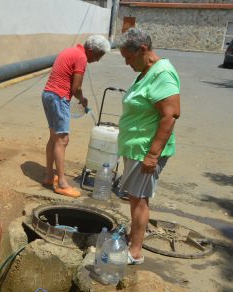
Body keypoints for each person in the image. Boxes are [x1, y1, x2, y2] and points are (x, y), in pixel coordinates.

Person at [116, 28, 181, 265]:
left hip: (146, 150)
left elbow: (170, 115)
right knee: (135, 197)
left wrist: (153, 155)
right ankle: (134, 238)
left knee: (139, 198)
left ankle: (135, 251)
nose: (126, 63)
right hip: (136, 148)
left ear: (143, 50)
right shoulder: (146, 70)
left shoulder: (162, 73)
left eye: (129, 57)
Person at [42, 35, 111, 197]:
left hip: (49, 95)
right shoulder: (81, 57)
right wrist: (83, 100)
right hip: (58, 97)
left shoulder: (71, 50)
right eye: (99, 55)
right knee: (62, 140)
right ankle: (62, 184)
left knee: (54, 137)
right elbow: (76, 88)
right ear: (91, 50)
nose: (98, 59)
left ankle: (49, 176)